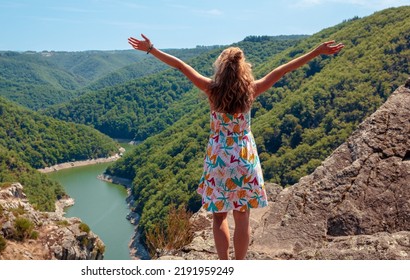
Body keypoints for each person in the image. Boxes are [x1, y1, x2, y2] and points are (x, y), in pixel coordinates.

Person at [128, 34, 344, 260]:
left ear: (220, 68)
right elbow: (283, 70)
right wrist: (315, 52)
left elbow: (181, 66)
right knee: (242, 217)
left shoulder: (211, 90)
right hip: (243, 156)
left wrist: (151, 49)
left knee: (219, 217)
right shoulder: (251, 90)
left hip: (219, 157)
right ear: (243, 69)